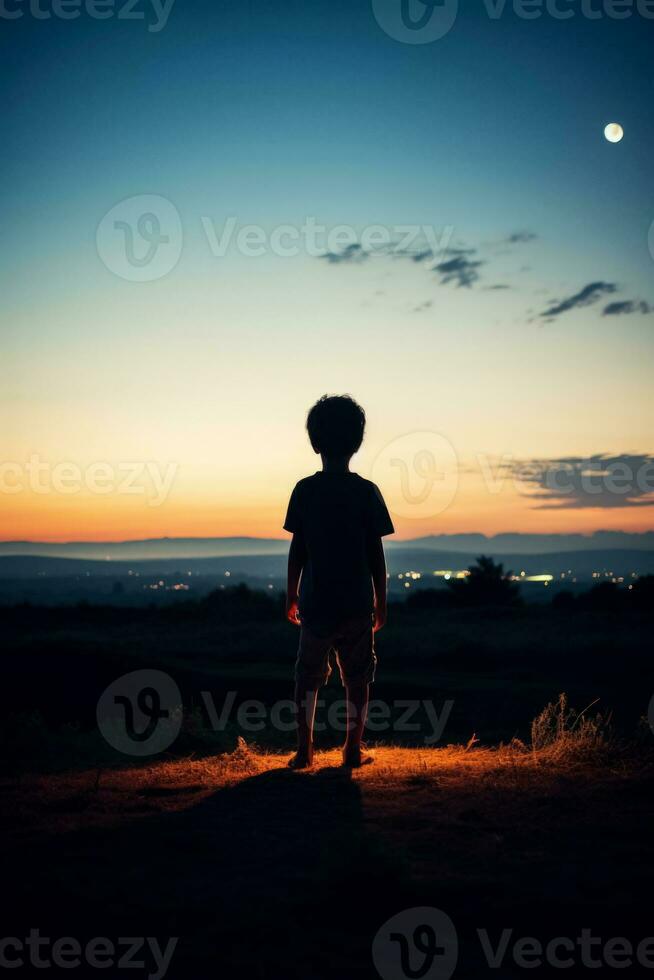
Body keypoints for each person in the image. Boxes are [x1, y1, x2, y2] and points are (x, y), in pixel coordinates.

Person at [283, 394, 394, 769]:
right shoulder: (366, 492)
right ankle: (351, 749)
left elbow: (298, 550)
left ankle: (304, 750)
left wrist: (291, 593)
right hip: (356, 604)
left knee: (307, 677)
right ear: (358, 442)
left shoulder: (305, 491)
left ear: (315, 442)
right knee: (358, 678)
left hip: (315, 603)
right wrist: (381, 600)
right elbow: (375, 556)